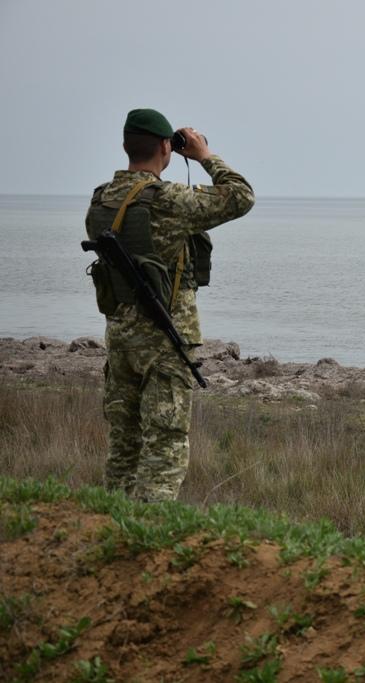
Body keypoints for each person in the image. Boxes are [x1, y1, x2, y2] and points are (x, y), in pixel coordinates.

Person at [86, 108, 254, 502]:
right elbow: (241, 196)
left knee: (123, 445)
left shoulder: (101, 200)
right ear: (166, 146)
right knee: (164, 445)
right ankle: (148, 537)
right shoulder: (169, 201)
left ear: (125, 145)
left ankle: (113, 524)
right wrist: (204, 156)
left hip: (121, 338)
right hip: (164, 341)